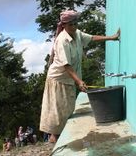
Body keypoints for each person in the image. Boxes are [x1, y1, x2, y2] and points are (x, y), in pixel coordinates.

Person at [40, 10, 120, 143]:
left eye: (76, 23)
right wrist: (79, 81)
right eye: (71, 24)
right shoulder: (62, 41)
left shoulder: (77, 34)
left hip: (68, 78)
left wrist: (111, 38)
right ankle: (54, 139)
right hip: (58, 80)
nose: (74, 26)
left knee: (67, 109)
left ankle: (59, 139)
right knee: (57, 111)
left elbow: (92, 38)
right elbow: (66, 65)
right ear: (64, 25)